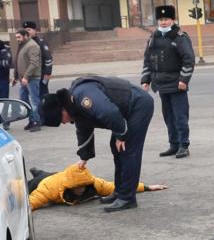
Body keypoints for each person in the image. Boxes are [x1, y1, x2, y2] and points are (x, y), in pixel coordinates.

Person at [39, 76, 154, 212]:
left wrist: (122, 136)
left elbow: (109, 112)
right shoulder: (74, 106)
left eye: (61, 120)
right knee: (116, 148)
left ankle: (127, 198)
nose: (63, 123)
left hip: (138, 105)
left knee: (127, 149)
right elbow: (84, 130)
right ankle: (119, 191)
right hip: (125, 111)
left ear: (62, 110)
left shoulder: (82, 96)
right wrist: (84, 157)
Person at [141, 5, 195, 159]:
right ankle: (174, 144)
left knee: (180, 117)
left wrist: (184, 80)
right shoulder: (153, 37)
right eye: (161, 19)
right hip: (161, 85)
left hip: (177, 84)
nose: (163, 22)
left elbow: (188, 60)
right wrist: (146, 80)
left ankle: (184, 145)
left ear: (173, 20)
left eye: (166, 19)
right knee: (168, 117)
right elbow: (147, 60)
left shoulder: (180, 37)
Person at [27, 164, 166, 211]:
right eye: (78, 187)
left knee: (46, 174)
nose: (82, 189)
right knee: (26, 185)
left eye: (83, 185)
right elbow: (34, 200)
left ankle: (37, 171)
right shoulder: (49, 188)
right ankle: (36, 173)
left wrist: (147, 187)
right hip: (45, 181)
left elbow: (115, 187)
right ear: (70, 186)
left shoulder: (93, 183)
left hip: (58, 175)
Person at [12, 28, 42, 132]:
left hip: (32, 78)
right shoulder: (23, 45)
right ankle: (31, 120)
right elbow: (18, 62)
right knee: (24, 100)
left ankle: (37, 122)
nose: (17, 39)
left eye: (19, 37)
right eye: (16, 37)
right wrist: (15, 77)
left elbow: (34, 63)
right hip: (23, 79)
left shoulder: (32, 45)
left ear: (26, 36)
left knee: (34, 101)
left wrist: (26, 77)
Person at [23, 21, 54, 102]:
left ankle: (45, 113)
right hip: (29, 75)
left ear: (35, 30)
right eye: (25, 30)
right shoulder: (24, 43)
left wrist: (47, 73)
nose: (27, 31)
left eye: (29, 29)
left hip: (41, 74)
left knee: (43, 96)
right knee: (32, 98)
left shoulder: (41, 42)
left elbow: (48, 58)